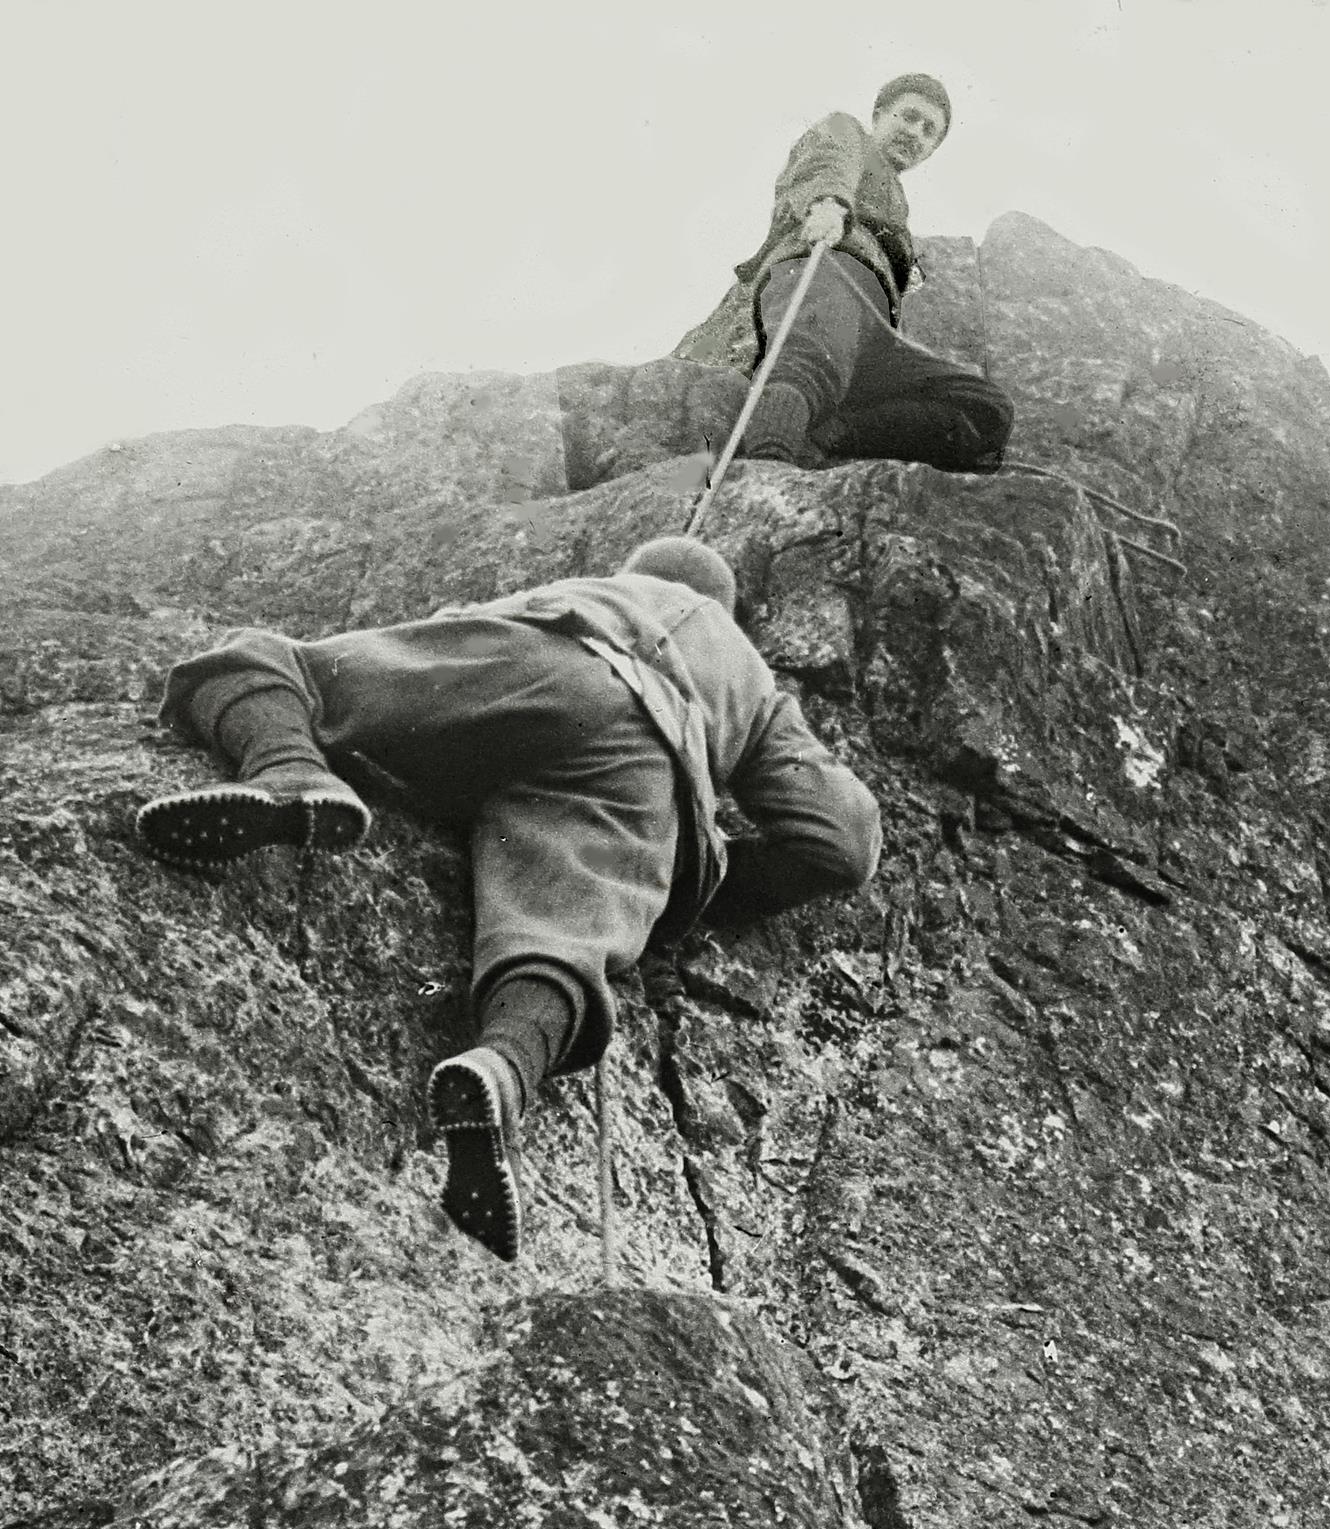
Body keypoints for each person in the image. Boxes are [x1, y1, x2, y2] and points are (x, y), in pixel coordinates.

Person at [138, 536, 880, 1263]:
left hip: (543, 661)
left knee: (263, 659)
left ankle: (290, 769)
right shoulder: (749, 679)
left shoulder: (590, 591)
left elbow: (454, 625)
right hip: (645, 763)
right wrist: (693, 884)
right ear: (731, 608)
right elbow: (842, 841)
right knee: (562, 936)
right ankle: (503, 1067)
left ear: (633, 572)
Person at [677, 72, 1014, 475]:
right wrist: (828, 204)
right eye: (908, 117)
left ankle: (827, 437)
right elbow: (829, 163)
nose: (916, 133)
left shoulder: (897, 199)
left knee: (984, 405)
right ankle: (768, 472)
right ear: (878, 114)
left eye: (929, 132)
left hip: (869, 328)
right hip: (828, 267)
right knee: (806, 364)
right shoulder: (845, 130)